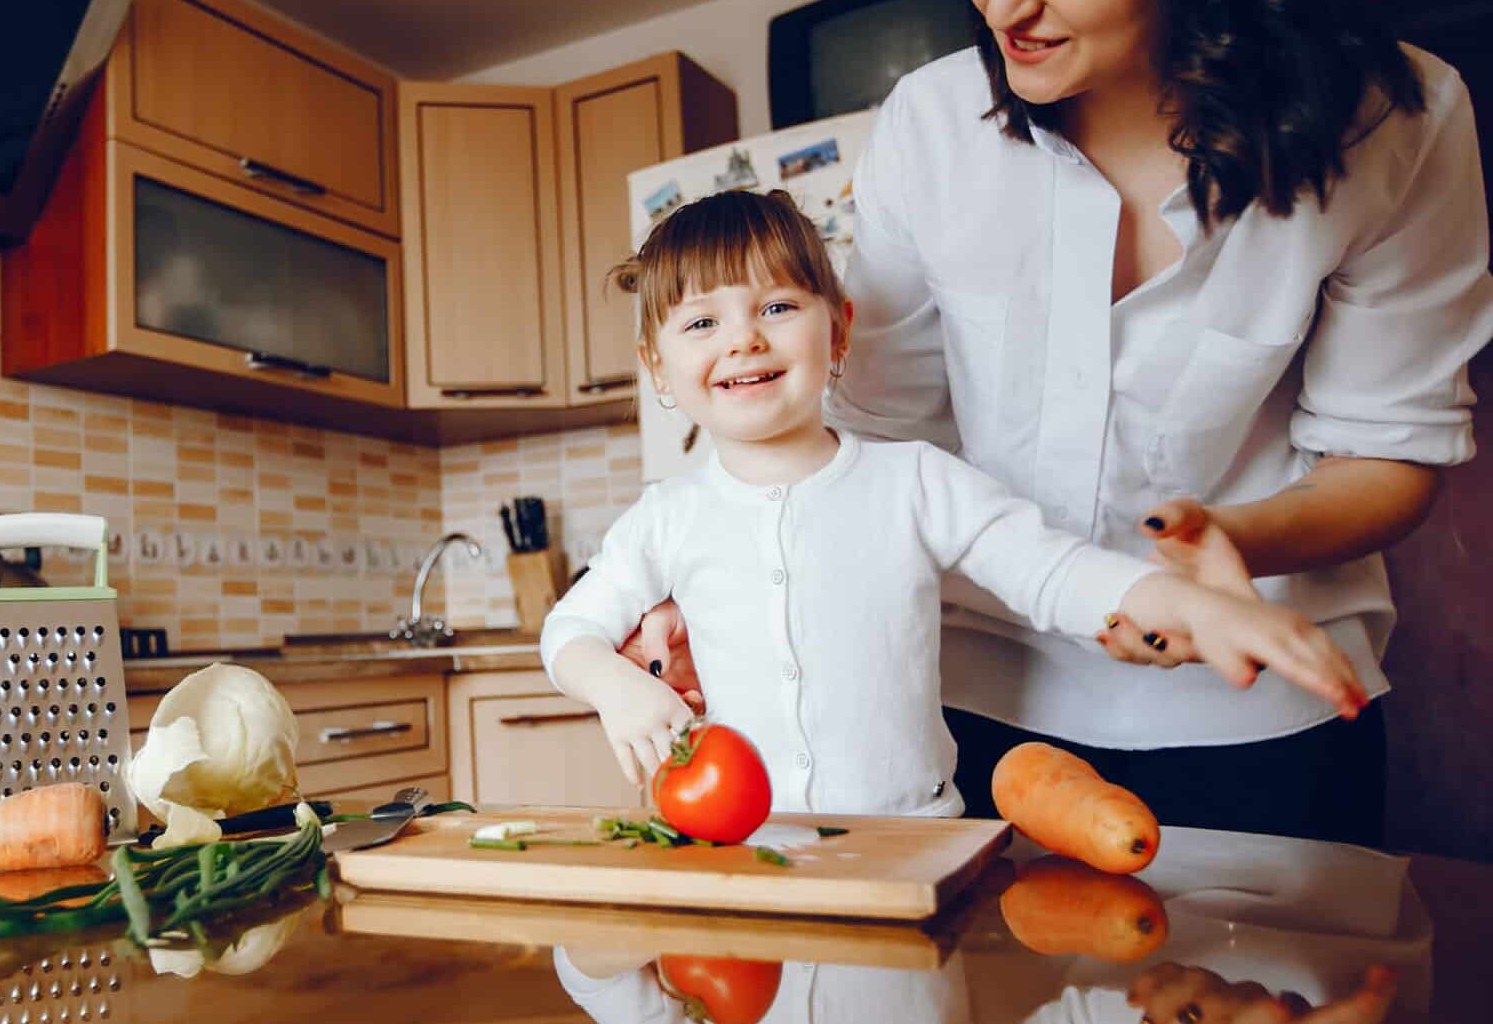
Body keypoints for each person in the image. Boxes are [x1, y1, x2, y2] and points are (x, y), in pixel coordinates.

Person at [621, 0, 1493, 845]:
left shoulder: (1392, 126)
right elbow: (873, 445)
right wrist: (728, 574)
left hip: (1256, 698)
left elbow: (1386, 449)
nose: (1004, 8)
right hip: (972, 709)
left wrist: (1232, 541)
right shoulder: (932, 123)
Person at [540, 188, 1364, 813]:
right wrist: (620, 688)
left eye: (779, 306)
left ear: (840, 330)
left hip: (920, 845)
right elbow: (569, 631)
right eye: (700, 325)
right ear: (657, 368)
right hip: (745, 856)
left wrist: (1195, 606)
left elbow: (1055, 572)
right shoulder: (665, 516)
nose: (743, 339)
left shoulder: (917, 481)